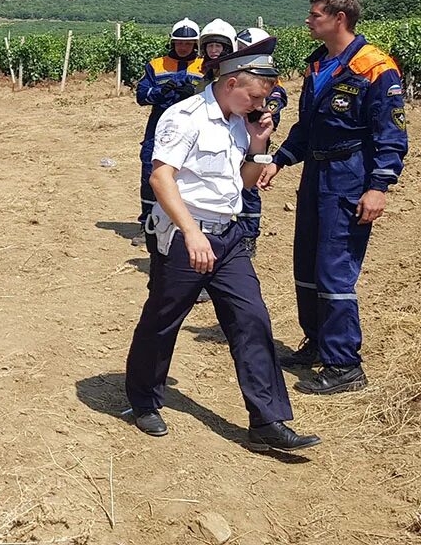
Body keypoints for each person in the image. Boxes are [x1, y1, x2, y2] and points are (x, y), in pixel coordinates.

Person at [125, 36, 320, 453]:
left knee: (252, 319)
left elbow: (245, 184)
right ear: (232, 83)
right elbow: (161, 178)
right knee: (164, 318)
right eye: (255, 95)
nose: (259, 105)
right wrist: (192, 233)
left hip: (228, 236)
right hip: (183, 235)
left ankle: (267, 421)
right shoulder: (186, 116)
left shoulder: (240, 122)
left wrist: (260, 143)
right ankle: (143, 399)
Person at [258, 0, 408, 395]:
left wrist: (379, 186)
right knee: (306, 263)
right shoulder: (318, 65)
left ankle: (344, 365)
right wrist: (278, 160)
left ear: (339, 18)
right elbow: (307, 128)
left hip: (349, 175)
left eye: (314, 15)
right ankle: (317, 343)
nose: (308, 21)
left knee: (334, 268)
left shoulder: (374, 67)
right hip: (316, 174)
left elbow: (391, 134)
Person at [134, 19, 207, 247]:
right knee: (150, 172)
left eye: (188, 43)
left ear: (195, 43)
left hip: (194, 127)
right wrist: (159, 92)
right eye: (179, 43)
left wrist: (194, 92)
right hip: (159, 127)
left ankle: (182, 222)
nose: (183, 47)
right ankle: (148, 223)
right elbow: (141, 96)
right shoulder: (156, 65)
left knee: (188, 173)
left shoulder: (206, 65)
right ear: (172, 42)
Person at [228, 27, 287, 257]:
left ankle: (249, 237)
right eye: (241, 49)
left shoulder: (270, 81)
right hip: (232, 140)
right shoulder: (234, 76)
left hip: (254, 144)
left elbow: (273, 103)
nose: (242, 53)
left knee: (249, 190)